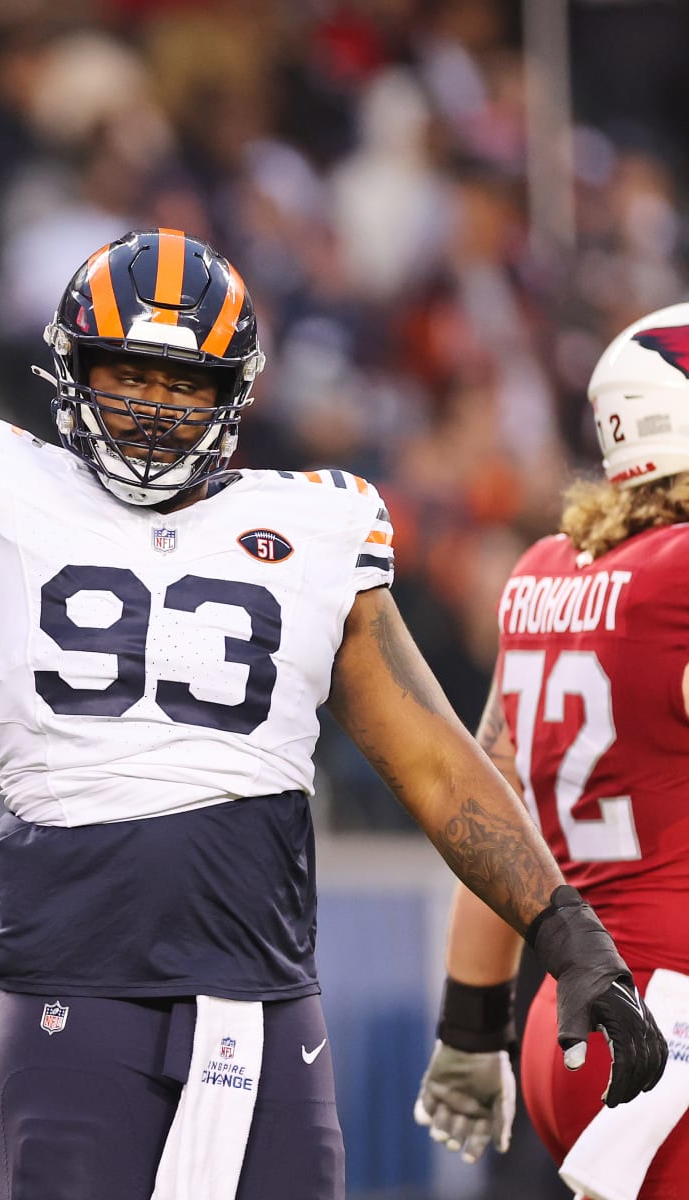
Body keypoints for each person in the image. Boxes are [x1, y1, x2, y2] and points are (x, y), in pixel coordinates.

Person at [0, 82, 666, 1199]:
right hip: (74, 992)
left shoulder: (316, 523)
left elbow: (431, 757)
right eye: (126, 372)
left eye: (182, 382)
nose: (148, 404)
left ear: (232, 394)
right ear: (72, 372)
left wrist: (561, 926)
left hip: (271, 995)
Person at [415, 302, 689, 1196]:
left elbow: (493, 823)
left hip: (565, 1024)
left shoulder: (542, 575)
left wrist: (468, 1024)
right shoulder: (677, 580)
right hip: (670, 1027)